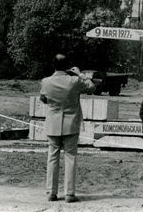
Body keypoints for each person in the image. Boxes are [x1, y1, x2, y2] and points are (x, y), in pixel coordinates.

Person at [40, 53, 96, 203]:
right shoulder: (75, 80)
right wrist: (81, 74)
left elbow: (44, 99)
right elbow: (92, 87)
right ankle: (69, 193)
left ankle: (51, 192)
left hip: (53, 123)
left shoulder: (45, 82)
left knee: (52, 157)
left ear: (53, 65)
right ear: (68, 66)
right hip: (71, 123)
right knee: (70, 158)